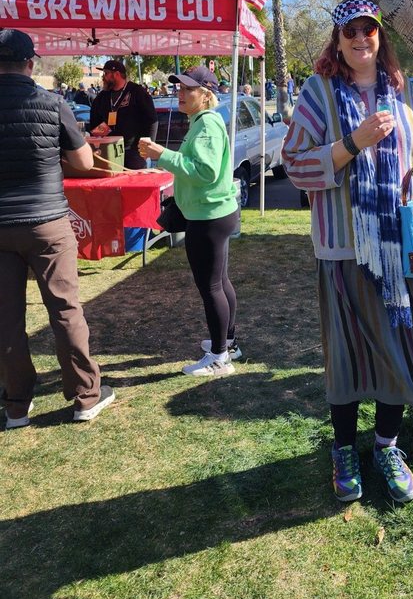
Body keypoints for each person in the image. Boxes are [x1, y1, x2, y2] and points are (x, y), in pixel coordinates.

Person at [282, 0, 413, 504]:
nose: (359, 38)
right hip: (344, 251)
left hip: (403, 249)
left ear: (379, 35)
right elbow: (295, 166)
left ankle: (387, 447)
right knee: (346, 359)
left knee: (402, 352)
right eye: (349, 31)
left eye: (367, 29)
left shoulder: (400, 90)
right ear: (337, 39)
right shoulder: (317, 92)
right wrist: (353, 142)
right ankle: (344, 450)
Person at [0, 29, 115, 428]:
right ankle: (85, 396)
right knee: (65, 309)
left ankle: (16, 404)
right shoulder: (52, 103)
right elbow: (84, 162)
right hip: (46, 221)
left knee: (6, 318)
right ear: (30, 64)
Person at [138, 66, 241, 377]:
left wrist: (163, 155)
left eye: (187, 89)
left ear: (206, 95)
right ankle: (228, 344)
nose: (180, 94)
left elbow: (206, 172)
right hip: (212, 213)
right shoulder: (204, 121)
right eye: (179, 88)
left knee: (211, 286)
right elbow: (199, 167)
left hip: (208, 216)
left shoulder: (206, 124)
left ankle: (220, 357)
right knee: (219, 282)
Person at [89, 59, 157, 169]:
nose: (103, 77)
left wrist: (147, 147)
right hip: (109, 151)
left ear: (116, 74)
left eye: (106, 73)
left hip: (134, 152)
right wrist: (104, 138)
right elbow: (95, 122)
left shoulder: (137, 92)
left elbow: (151, 120)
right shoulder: (102, 97)